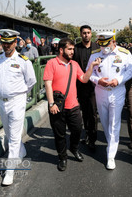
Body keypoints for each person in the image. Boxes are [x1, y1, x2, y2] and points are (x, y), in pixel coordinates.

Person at [43, 38, 101, 171]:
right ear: (61, 50)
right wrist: (51, 104)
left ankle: (74, 149)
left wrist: (92, 66)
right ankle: (62, 157)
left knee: (77, 130)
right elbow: (48, 84)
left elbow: (84, 79)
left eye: (73, 49)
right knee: (60, 134)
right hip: (57, 106)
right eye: (70, 49)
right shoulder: (51, 63)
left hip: (73, 105)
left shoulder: (74, 64)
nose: (72, 52)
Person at [0, 29, 36, 185]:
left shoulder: (24, 61)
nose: (6, 46)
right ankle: (21, 151)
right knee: (9, 132)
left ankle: (9, 172)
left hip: (17, 101)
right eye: (4, 43)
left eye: (9, 43)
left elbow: (31, 81)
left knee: (15, 136)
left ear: (16, 43)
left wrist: (20, 95)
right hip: (1, 101)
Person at [86, 32, 132, 170]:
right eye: (101, 45)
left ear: (113, 41)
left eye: (106, 44)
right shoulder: (95, 54)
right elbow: (89, 72)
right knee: (105, 121)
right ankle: (110, 144)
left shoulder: (124, 53)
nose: (104, 48)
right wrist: (98, 80)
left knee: (114, 122)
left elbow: (131, 70)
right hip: (101, 92)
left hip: (117, 92)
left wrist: (118, 80)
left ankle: (110, 155)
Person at [73, 25, 100, 150]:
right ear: (81, 34)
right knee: (84, 112)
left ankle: (93, 138)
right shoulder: (76, 48)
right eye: (84, 33)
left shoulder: (97, 48)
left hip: (94, 85)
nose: (86, 35)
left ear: (91, 34)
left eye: (88, 33)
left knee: (93, 112)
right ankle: (87, 134)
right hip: (80, 85)